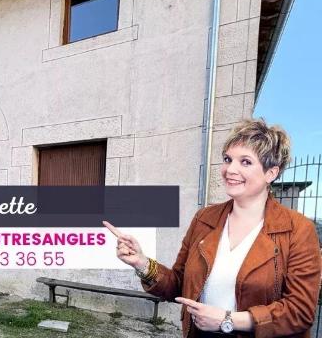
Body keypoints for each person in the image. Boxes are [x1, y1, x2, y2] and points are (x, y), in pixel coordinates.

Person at [104, 118, 321, 337]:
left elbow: (300, 311)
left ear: (271, 173)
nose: (230, 169)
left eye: (245, 162)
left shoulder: (298, 230)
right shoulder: (204, 218)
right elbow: (179, 284)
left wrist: (228, 320)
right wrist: (141, 263)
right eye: (228, 159)